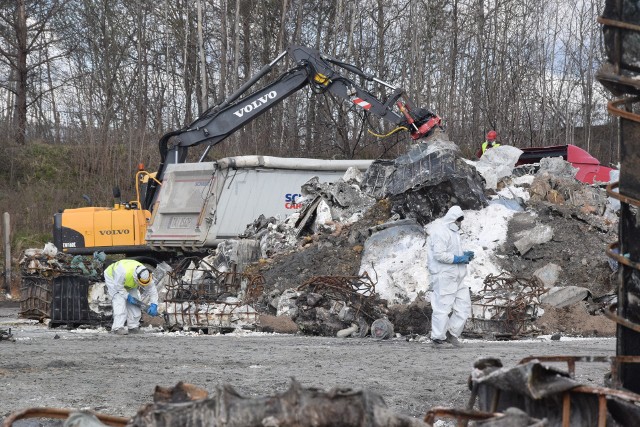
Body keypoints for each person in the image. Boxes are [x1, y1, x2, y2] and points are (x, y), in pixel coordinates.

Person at [426, 205, 474, 348]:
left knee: (463, 306)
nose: (459, 224)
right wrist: (458, 259)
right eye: (458, 220)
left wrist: (464, 255)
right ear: (452, 219)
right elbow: (439, 255)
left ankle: (451, 333)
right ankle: (437, 338)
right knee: (442, 307)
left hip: (458, 276)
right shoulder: (440, 232)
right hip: (444, 276)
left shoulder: (454, 234)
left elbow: (451, 251)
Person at [104, 259, 159, 335]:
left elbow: (152, 289)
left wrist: (154, 304)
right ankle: (117, 328)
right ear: (136, 278)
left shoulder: (146, 274)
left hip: (128, 282)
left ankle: (133, 327)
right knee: (119, 300)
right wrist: (128, 297)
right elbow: (119, 287)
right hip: (113, 279)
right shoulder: (122, 272)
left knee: (135, 302)